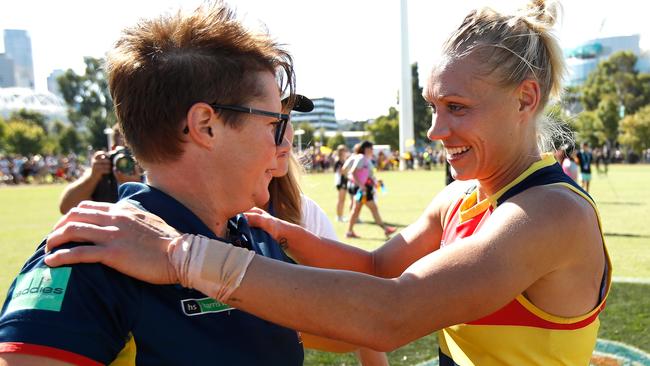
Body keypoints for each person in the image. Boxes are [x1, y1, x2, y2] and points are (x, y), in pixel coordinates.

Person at [43, 1, 611, 365]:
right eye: (432, 106)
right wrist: (281, 236)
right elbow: (374, 271)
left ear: (526, 99)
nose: (437, 129)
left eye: (457, 107)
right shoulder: (461, 198)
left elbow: (390, 315)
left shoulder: (551, 214)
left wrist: (182, 255)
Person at [0, 3, 310, 365]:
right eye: (275, 123)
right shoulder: (91, 256)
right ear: (205, 125)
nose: (285, 143)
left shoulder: (254, 235)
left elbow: (370, 317)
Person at [255, 110, 388, 365]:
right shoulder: (177, 215)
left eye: (286, 120)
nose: (285, 140)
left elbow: (358, 310)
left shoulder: (302, 210)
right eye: (271, 121)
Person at [58, 125, 142, 214]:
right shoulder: (103, 172)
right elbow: (66, 208)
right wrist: (92, 177)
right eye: (123, 150)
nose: (128, 158)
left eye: (131, 151)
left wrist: (134, 186)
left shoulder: (151, 174)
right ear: (113, 150)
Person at [343, 140, 396, 239]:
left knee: (356, 210)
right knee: (371, 209)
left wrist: (375, 181)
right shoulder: (361, 158)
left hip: (364, 189)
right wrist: (361, 185)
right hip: (363, 190)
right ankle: (385, 229)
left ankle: (349, 232)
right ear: (366, 149)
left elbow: (365, 174)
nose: (373, 150)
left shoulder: (366, 159)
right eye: (371, 148)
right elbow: (353, 172)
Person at [333, 144, 350, 222]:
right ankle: (339, 216)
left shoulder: (344, 161)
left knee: (343, 200)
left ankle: (341, 215)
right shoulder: (338, 162)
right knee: (341, 200)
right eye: (344, 151)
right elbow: (341, 172)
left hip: (345, 181)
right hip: (341, 182)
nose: (345, 152)